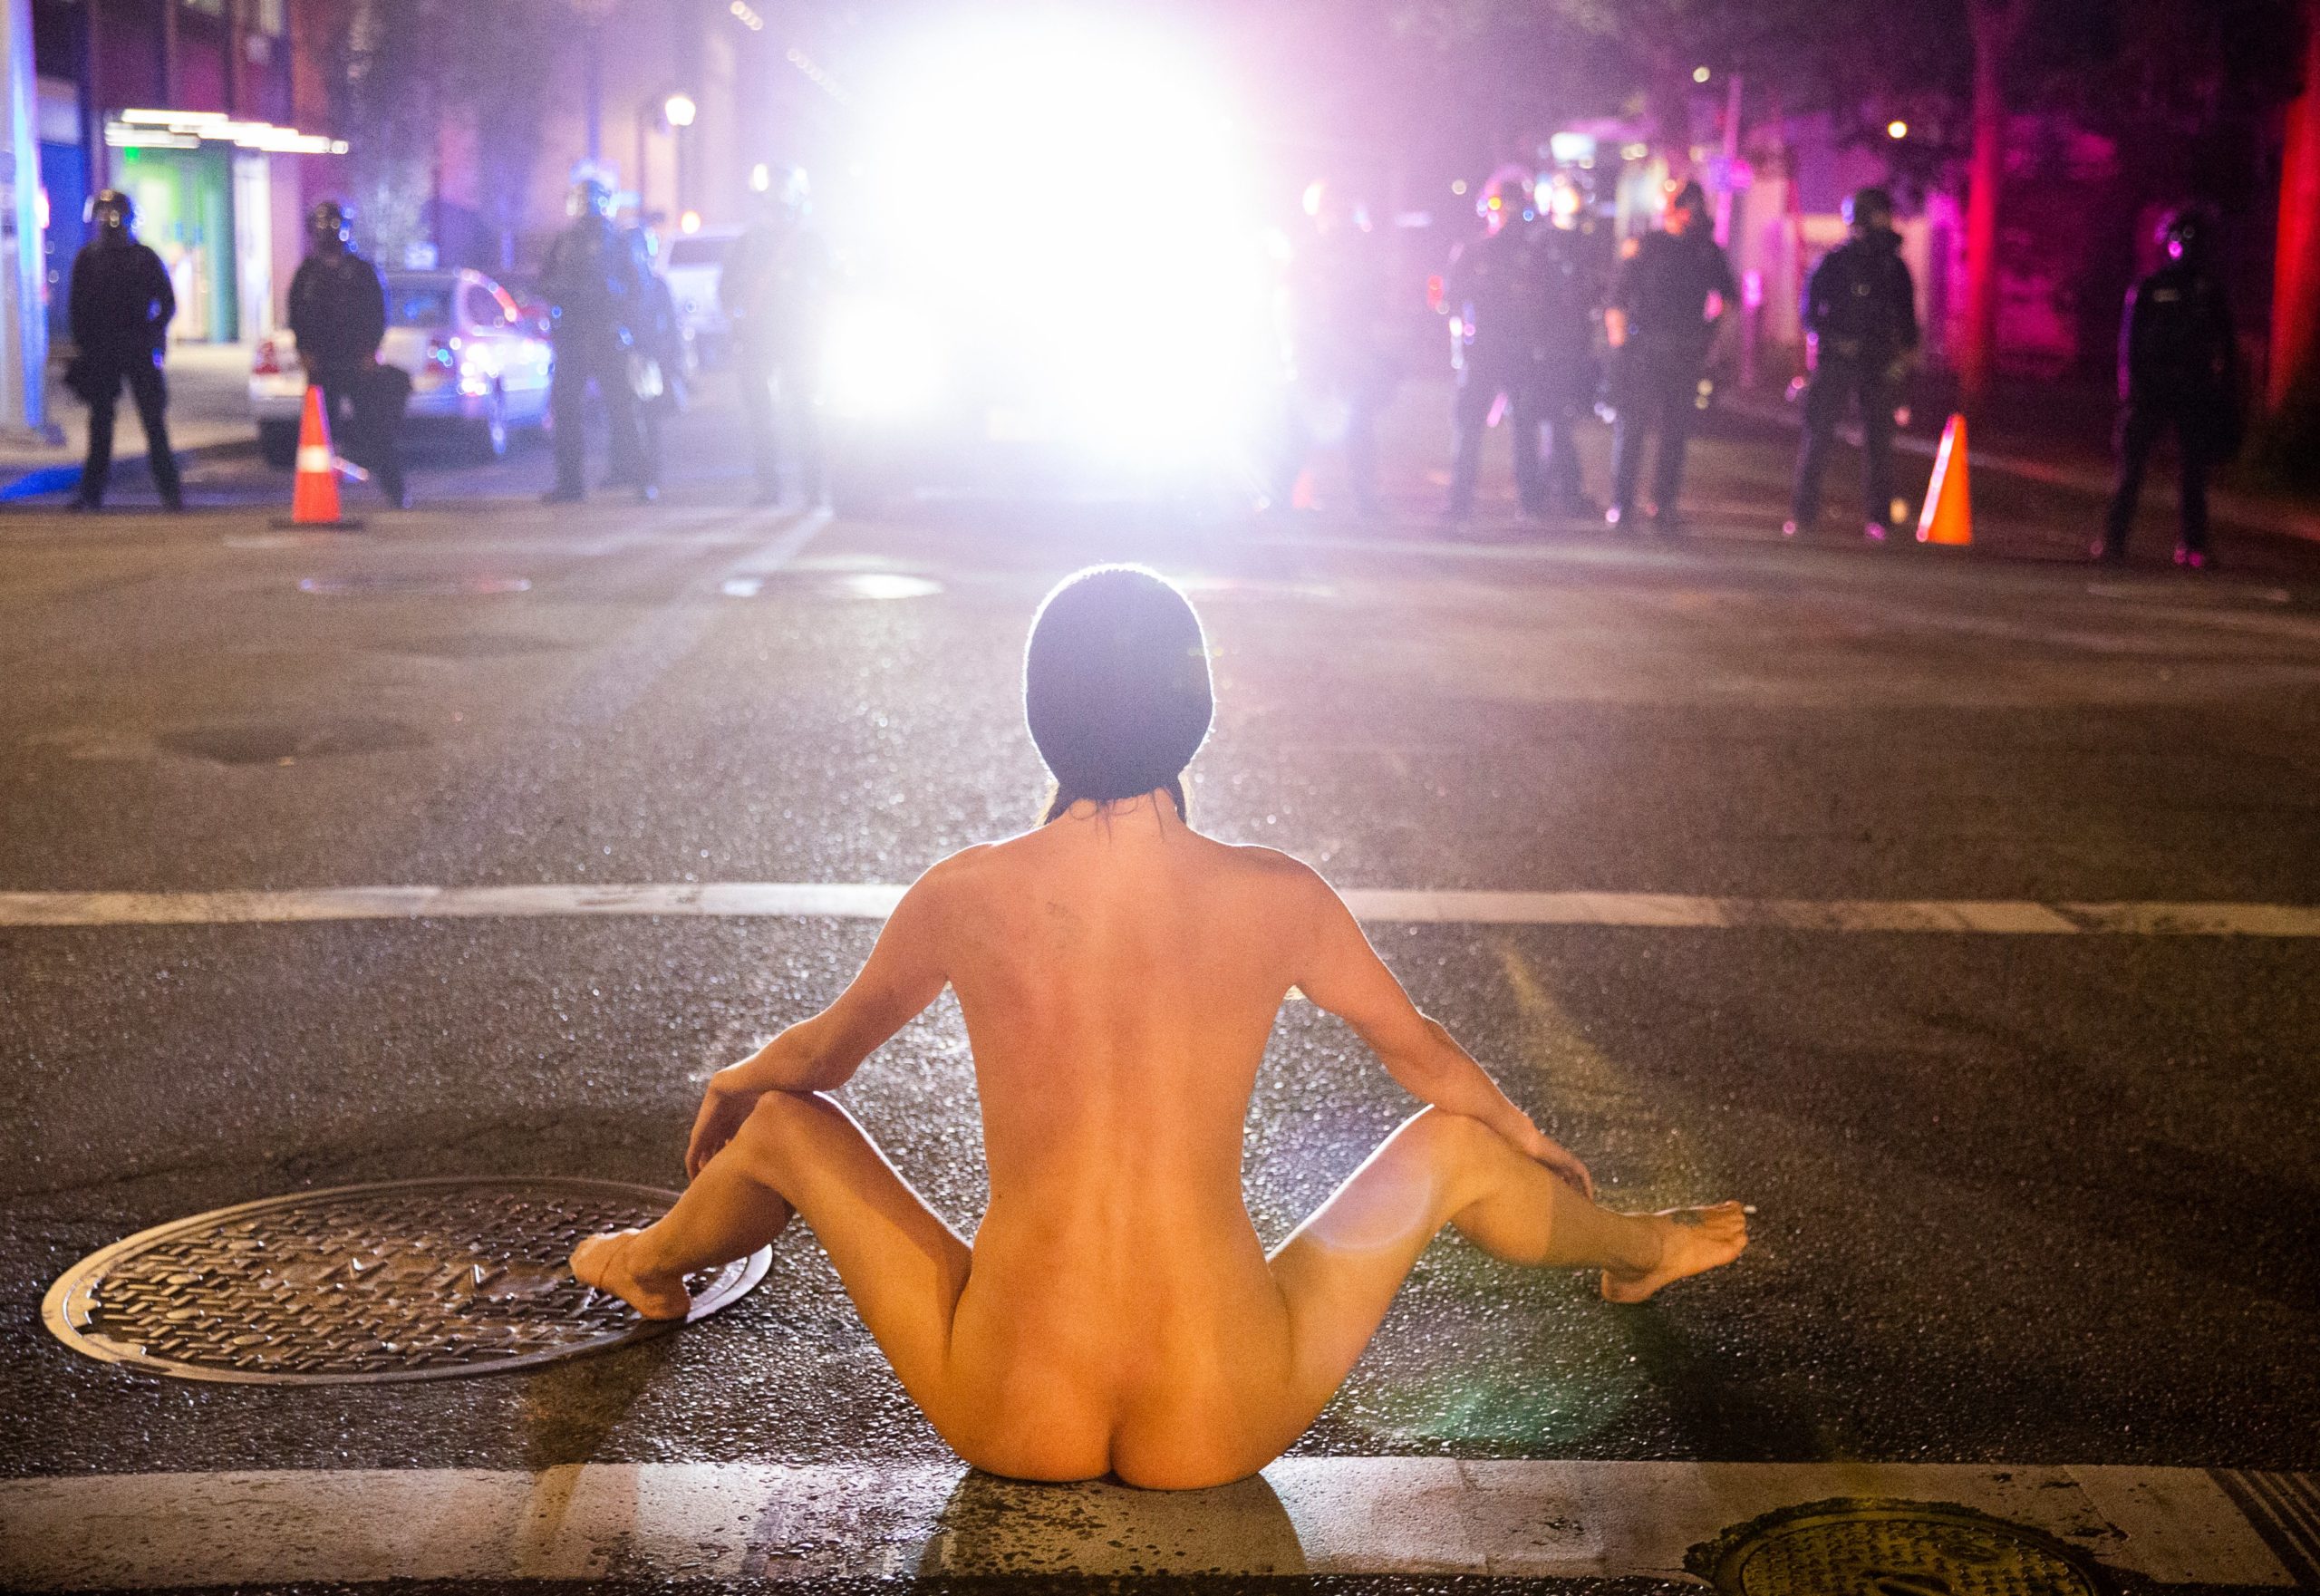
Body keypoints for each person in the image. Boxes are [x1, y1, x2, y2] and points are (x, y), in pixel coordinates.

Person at [572, 564, 1749, 1492]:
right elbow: (1423, 1055)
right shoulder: (1276, 895)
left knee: (786, 1123)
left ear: (1043, 719)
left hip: (1007, 1400)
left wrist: (737, 1083)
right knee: (1453, 1146)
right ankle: (1640, 1250)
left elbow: (816, 1063)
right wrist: (1524, 1135)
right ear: (1198, 715)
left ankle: (649, 1264)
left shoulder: (966, 893)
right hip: (1222, 1404)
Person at [2098, 207, 2240, 569]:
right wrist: (2131, 390)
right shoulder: (2149, 287)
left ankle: (2193, 545)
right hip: (2152, 389)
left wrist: (2224, 392)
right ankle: (2114, 539)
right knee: (2131, 472)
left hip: (2193, 389)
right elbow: (2129, 345)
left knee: (2193, 474)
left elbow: (2227, 345)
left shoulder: (2209, 292)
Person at [1784, 188, 1919, 544]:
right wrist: (1831, 339)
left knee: (1879, 443)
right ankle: (1804, 513)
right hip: (1838, 361)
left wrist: (1903, 356)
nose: (1885, 224)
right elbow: (1810, 311)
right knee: (1820, 436)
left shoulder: (1893, 267)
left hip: (1876, 362)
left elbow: (1906, 318)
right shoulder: (1835, 263)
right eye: (1879, 216)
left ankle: (1880, 518)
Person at [1603, 181, 1734, 532]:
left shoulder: (1707, 252)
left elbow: (1728, 299)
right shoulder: (1648, 246)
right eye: (1685, 206)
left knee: (1676, 432)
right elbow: (1616, 300)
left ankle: (1664, 504)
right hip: (1645, 349)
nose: (1692, 213)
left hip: (1687, 349)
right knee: (1633, 428)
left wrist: (1712, 338)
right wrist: (1619, 350)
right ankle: (1622, 503)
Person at [1272, 179, 1397, 517]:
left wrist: (1372, 347)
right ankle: (1279, 496)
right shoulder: (1304, 252)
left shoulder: (1363, 253)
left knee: (1358, 428)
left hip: (1351, 352)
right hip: (1313, 353)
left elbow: (1378, 304)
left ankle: (1366, 501)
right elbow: (1288, 303)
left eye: (1341, 208)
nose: (1336, 216)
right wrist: (1294, 348)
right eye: (1330, 209)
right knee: (1298, 427)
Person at [65, 189, 182, 512]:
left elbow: (168, 303)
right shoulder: (88, 259)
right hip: (103, 351)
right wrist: (86, 347)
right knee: (100, 426)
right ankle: (92, 495)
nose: (109, 223)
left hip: (137, 349)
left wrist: (151, 334)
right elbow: (77, 309)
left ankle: (170, 493)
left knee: (152, 423)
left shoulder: (143, 258)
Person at [285, 198, 407, 508]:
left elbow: (378, 313)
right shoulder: (307, 274)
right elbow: (297, 315)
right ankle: (322, 492)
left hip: (358, 362)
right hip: (322, 364)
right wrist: (304, 350)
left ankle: (395, 490)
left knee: (376, 427)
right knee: (321, 433)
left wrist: (370, 350)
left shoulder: (362, 272)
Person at [539, 174, 651, 504]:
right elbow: (545, 282)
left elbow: (638, 287)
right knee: (567, 408)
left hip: (608, 332)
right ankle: (571, 483)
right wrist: (569, 294)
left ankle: (641, 478)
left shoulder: (620, 242)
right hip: (574, 334)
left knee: (624, 410)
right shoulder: (564, 243)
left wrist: (619, 313)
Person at [1443, 169, 1548, 520]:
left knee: (1523, 430)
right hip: (1484, 349)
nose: (1507, 213)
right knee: (1471, 428)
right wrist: (1463, 335)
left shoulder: (1535, 255)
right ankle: (1460, 503)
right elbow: (1452, 299)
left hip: (1519, 350)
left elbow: (1546, 304)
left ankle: (1530, 504)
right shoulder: (1474, 251)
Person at [721, 169, 829, 508]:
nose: (776, 215)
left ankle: (812, 487)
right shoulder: (748, 244)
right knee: (762, 416)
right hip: (760, 339)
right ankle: (771, 487)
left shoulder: (810, 243)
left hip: (798, 340)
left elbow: (830, 288)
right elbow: (726, 290)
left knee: (805, 412)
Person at [1530, 169, 1608, 517]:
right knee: (1554, 417)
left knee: (1563, 417)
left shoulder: (1588, 244)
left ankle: (1552, 486)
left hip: (1577, 342)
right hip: (1545, 343)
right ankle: (1563, 489)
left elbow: (1598, 290)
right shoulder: (1540, 242)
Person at [622, 222, 685, 504]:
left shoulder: (655, 285)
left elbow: (670, 325)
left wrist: (671, 360)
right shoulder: (623, 286)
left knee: (647, 421)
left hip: (649, 361)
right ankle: (639, 475)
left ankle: (648, 477)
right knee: (631, 422)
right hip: (627, 359)